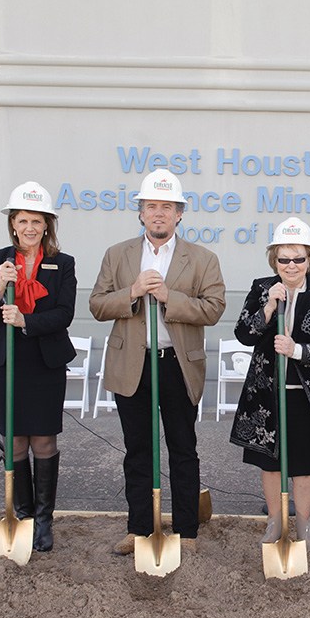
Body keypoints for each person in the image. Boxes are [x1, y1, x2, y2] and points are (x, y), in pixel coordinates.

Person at [89, 168, 225, 555]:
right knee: (138, 449)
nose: (159, 214)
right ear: (141, 213)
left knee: (183, 448)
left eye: (167, 207)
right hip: (132, 365)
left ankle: (185, 530)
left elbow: (214, 308)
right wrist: (131, 292)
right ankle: (139, 527)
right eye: (152, 207)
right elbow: (97, 304)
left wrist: (169, 297)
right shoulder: (118, 255)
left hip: (177, 365)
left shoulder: (202, 259)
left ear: (180, 213)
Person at [0, 181, 76, 552]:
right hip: (5, 362)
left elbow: (64, 314)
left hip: (43, 362)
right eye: (22, 221)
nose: (30, 228)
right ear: (12, 224)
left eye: (37, 221)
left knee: (44, 438)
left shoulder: (62, 264)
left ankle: (45, 520)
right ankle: (24, 516)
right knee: (14, 437)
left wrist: (26, 322)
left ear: (47, 225)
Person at [230, 217, 310, 551]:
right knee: (270, 460)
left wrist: (297, 351)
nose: (291, 265)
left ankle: (305, 524)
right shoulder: (261, 288)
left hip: (306, 396)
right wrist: (268, 307)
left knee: (306, 464)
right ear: (274, 261)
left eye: (299, 258)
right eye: (284, 259)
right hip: (267, 393)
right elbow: (243, 334)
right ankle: (276, 521)